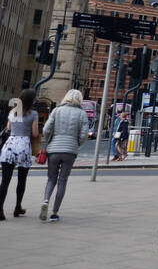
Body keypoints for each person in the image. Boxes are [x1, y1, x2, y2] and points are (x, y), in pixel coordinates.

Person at [39, 89, 90, 222]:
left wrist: (49, 140)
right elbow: (84, 134)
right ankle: (55, 212)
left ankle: (45, 200)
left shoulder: (56, 111)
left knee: (51, 179)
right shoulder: (82, 113)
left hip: (54, 149)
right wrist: (77, 143)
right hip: (70, 150)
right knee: (62, 180)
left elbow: (45, 129)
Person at [0, 90, 39, 219]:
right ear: (31, 101)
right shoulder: (33, 114)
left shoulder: (13, 112)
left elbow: (9, 128)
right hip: (23, 147)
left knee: (5, 180)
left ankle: (0, 210)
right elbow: (34, 133)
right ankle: (17, 207)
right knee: (22, 179)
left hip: (10, 146)